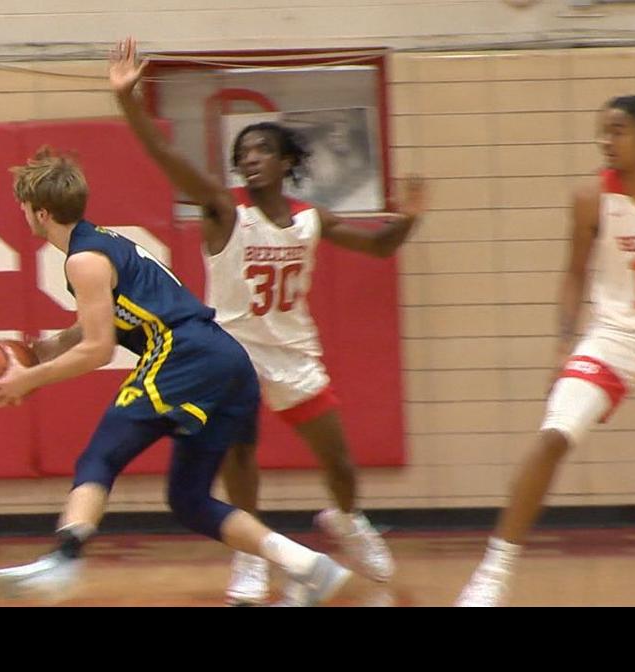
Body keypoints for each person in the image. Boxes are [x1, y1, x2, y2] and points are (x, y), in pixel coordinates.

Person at [109, 36, 426, 604]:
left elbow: (379, 249)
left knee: (340, 461)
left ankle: (349, 521)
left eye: (260, 149)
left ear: (285, 161)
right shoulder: (225, 209)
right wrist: (130, 102)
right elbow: (168, 159)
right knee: (241, 455)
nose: (249, 157)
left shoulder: (311, 219)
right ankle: (251, 558)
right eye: (243, 150)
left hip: (293, 352)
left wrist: (408, 219)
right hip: (231, 354)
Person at [0, 147, 351, 606]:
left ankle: (64, 559)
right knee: (189, 499)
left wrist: (27, 381)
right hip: (228, 362)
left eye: (23, 207)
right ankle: (310, 566)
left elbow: (99, 349)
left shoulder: (83, 260)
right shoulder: (103, 242)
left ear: (41, 212)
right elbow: (107, 318)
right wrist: (52, 346)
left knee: (100, 457)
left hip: (184, 354)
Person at [456, 95, 635, 606]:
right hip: (616, 338)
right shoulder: (591, 196)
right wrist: (564, 344)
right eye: (603, 132)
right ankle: (493, 574)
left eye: (616, 130)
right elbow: (573, 274)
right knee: (553, 435)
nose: (604, 141)